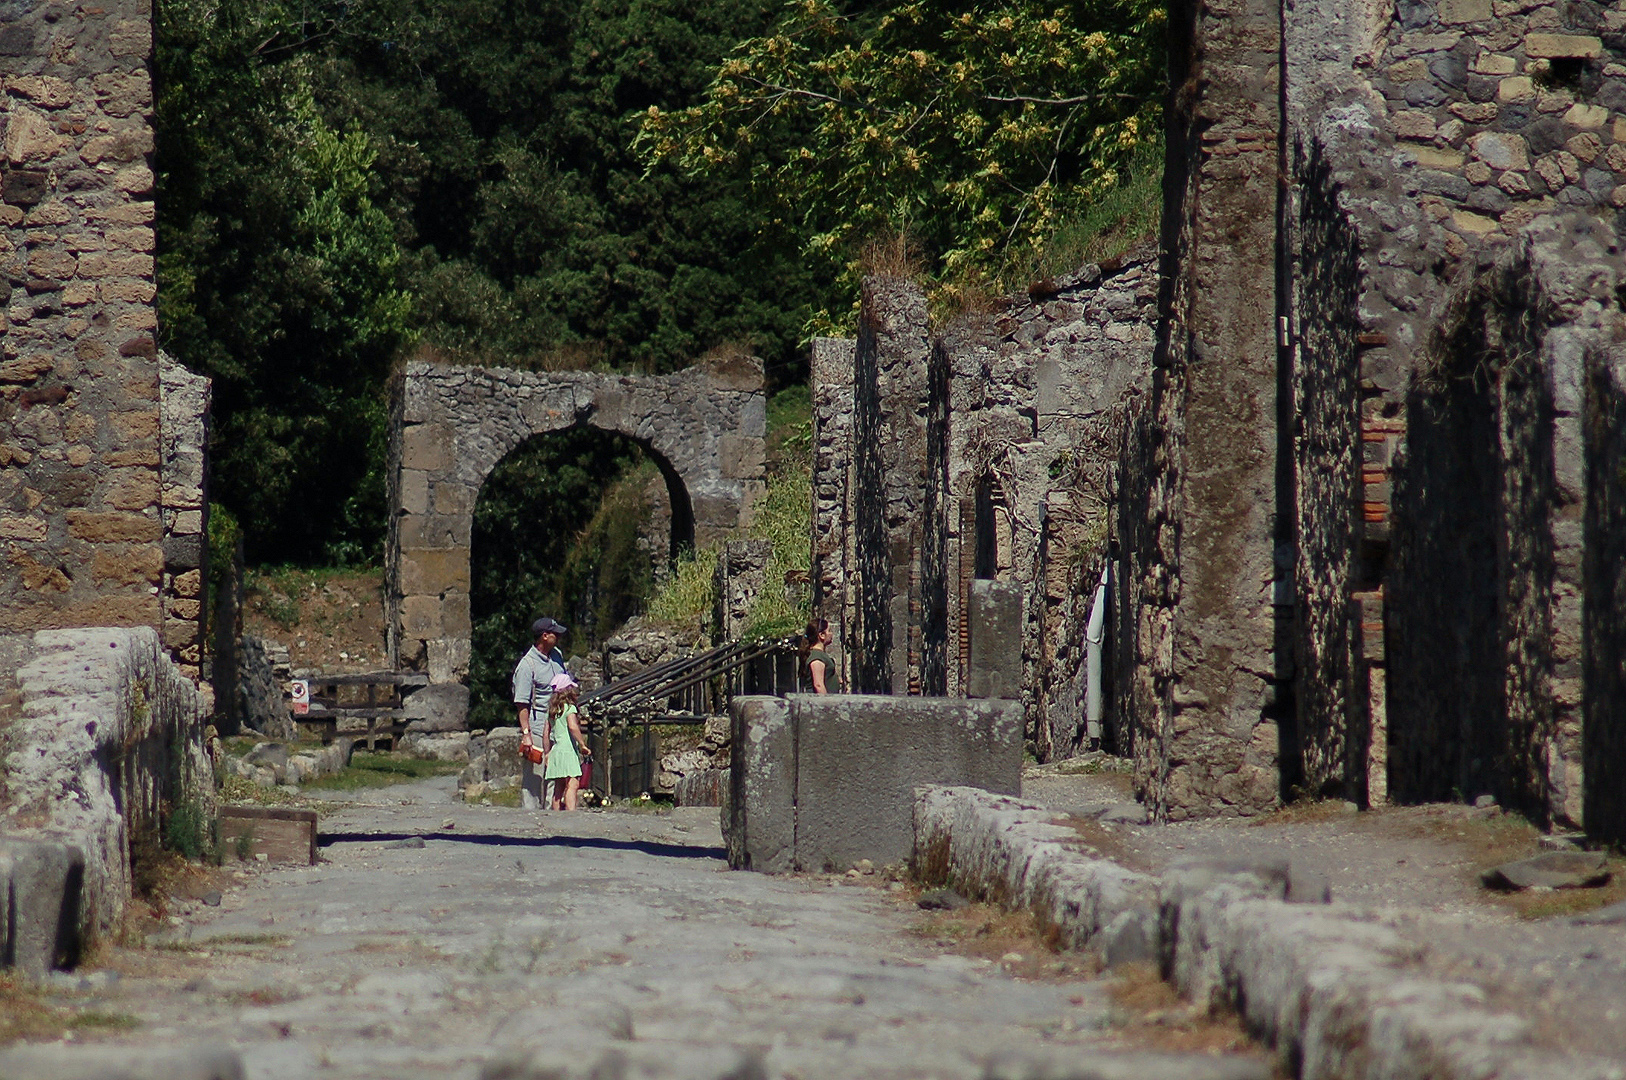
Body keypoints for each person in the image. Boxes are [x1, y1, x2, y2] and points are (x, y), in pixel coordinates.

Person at [513, 617, 568, 773]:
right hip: (537, 729)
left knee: (555, 779)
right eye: (555, 634)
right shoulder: (527, 665)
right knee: (535, 781)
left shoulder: (557, 655)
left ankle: (551, 800)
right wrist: (526, 734)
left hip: (557, 728)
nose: (559, 637)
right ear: (545, 636)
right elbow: (522, 703)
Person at [542, 675, 590, 811]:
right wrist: (582, 744)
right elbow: (573, 727)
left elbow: (546, 733)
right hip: (568, 749)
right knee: (573, 784)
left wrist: (547, 753)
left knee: (559, 786)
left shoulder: (552, 710)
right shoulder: (569, 708)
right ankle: (571, 814)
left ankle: (556, 814)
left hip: (556, 749)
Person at [801, 617, 840, 693]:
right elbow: (818, 685)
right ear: (822, 635)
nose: (831, 634)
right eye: (829, 631)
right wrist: (826, 702)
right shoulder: (817, 657)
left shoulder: (820, 655)